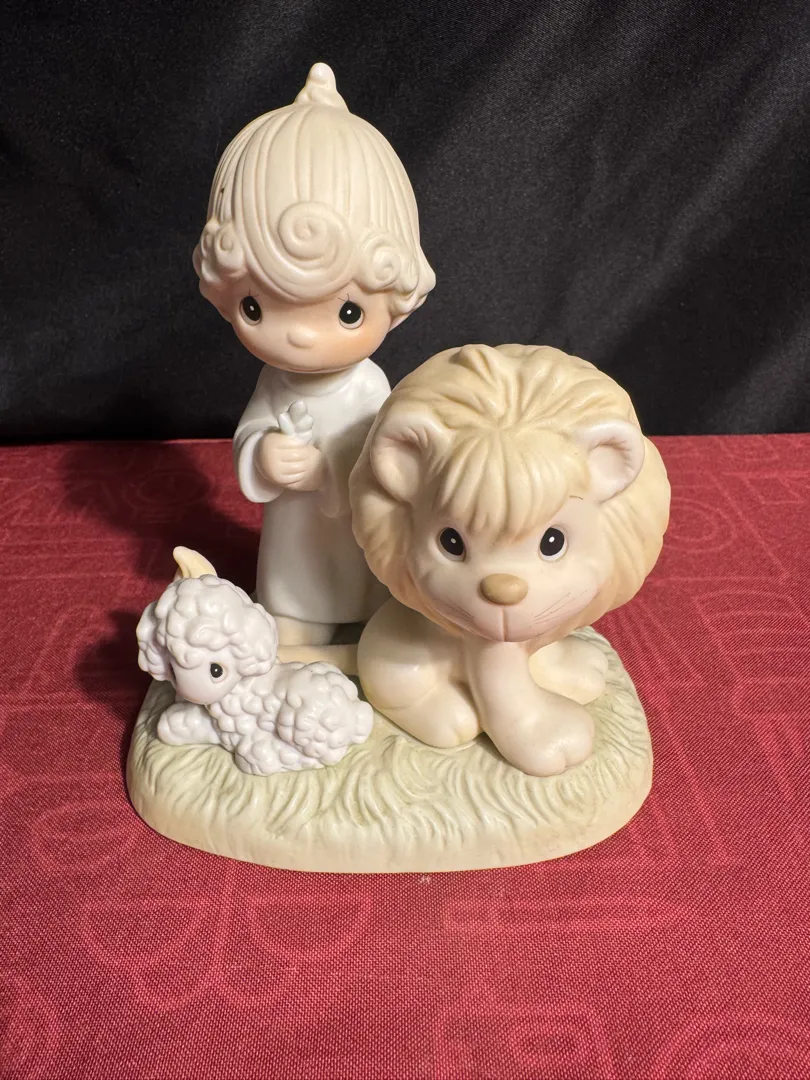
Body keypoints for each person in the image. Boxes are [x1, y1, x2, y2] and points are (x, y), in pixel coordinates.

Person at [193, 63, 435, 646]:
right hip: (293, 544)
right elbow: (251, 430)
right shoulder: (275, 381)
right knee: (289, 618)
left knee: (374, 604)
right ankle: (296, 622)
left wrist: (327, 470)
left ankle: (368, 623)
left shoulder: (369, 387)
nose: (299, 337)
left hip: (355, 538)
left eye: (347, 312)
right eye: (256, 307)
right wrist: (263, 455)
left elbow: (388, 459)